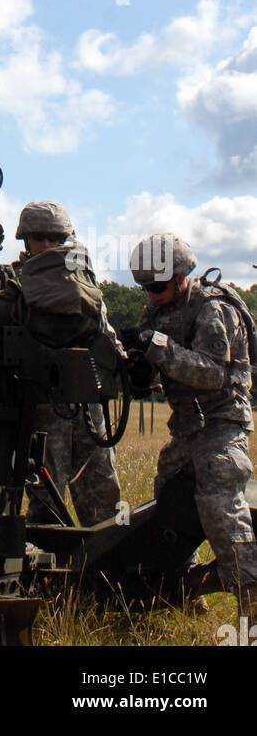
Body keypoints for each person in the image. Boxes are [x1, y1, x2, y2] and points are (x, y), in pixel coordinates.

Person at [128, 233, 257, 613]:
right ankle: (181, 591)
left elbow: (213, 374)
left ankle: (250, 599)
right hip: (185, 426)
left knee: (219, 507)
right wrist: (138, 369)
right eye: (145, 287)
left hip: (222, 422)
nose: (151, 294)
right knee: (167, 507)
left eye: (158, 286)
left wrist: (159, 350)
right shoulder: (153, 313)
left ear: (183, 277)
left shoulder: (212, 310)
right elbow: (157, 372)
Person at [0, 201, 122, 527]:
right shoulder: (11, 286)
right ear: (25, 239)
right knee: (46, 497)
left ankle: (105, 566)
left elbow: (105, 334)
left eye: (55, 237)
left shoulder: (83, 280)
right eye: (39, 237)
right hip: (44, 407)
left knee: (104, 494)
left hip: (89, 407)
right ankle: (49, 568)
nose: (47, 244)